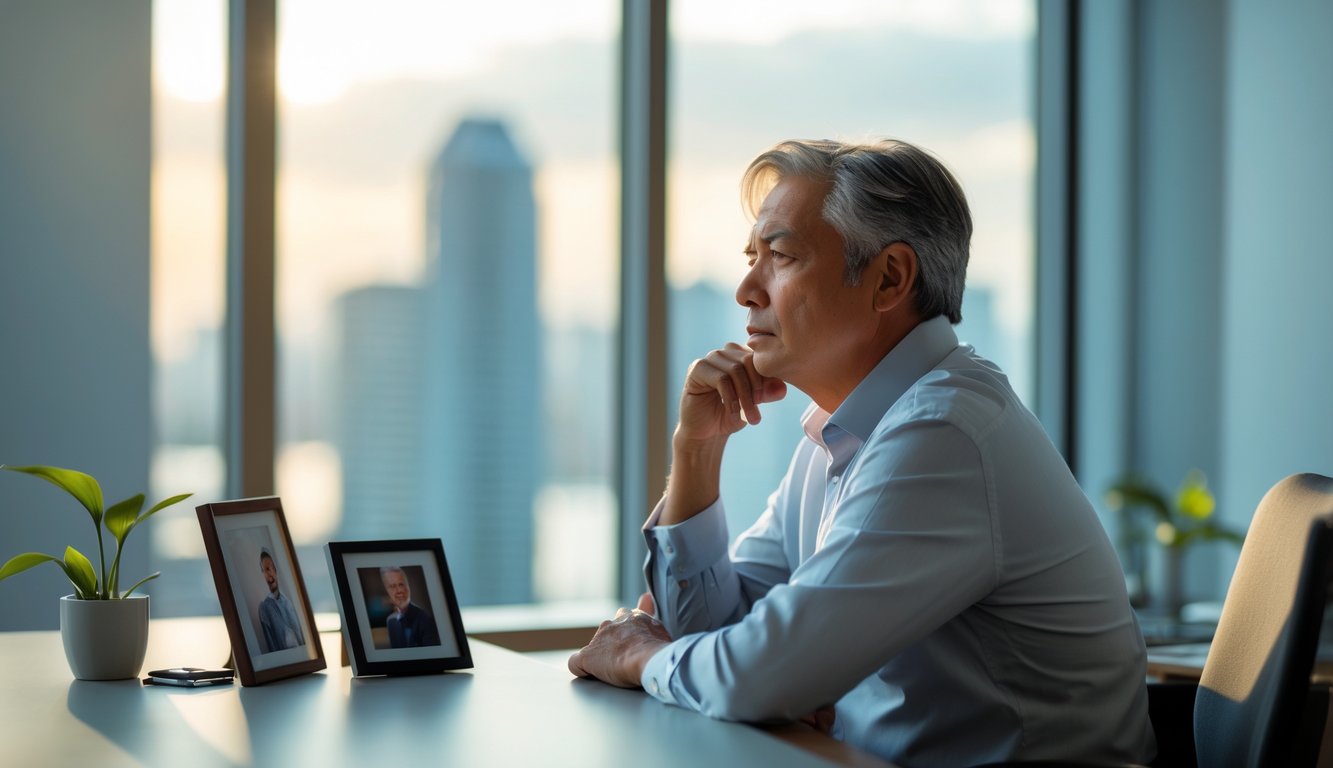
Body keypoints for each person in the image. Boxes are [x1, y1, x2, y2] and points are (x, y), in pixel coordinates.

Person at [568, 138, 1155, 766]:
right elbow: (717, 636)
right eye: (751, 257)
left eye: (782, 256)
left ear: (889, 279)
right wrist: (697, 452)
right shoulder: (839, 433)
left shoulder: (942, 434)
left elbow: (754, 676)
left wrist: (637, 655)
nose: (746, 290)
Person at [258, 548, 306, 653]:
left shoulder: (289, 603)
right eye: (265, 570)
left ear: (275, 570)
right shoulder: (264, 608)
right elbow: (272, 648)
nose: (269, 574)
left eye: (271, 568)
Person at [381, 566, 440, 648]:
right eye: (392, 586)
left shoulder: (425, 619)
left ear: (408, 586)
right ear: (386, 591)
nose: (399, 591)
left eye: (401, 584)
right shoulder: (391, 622)